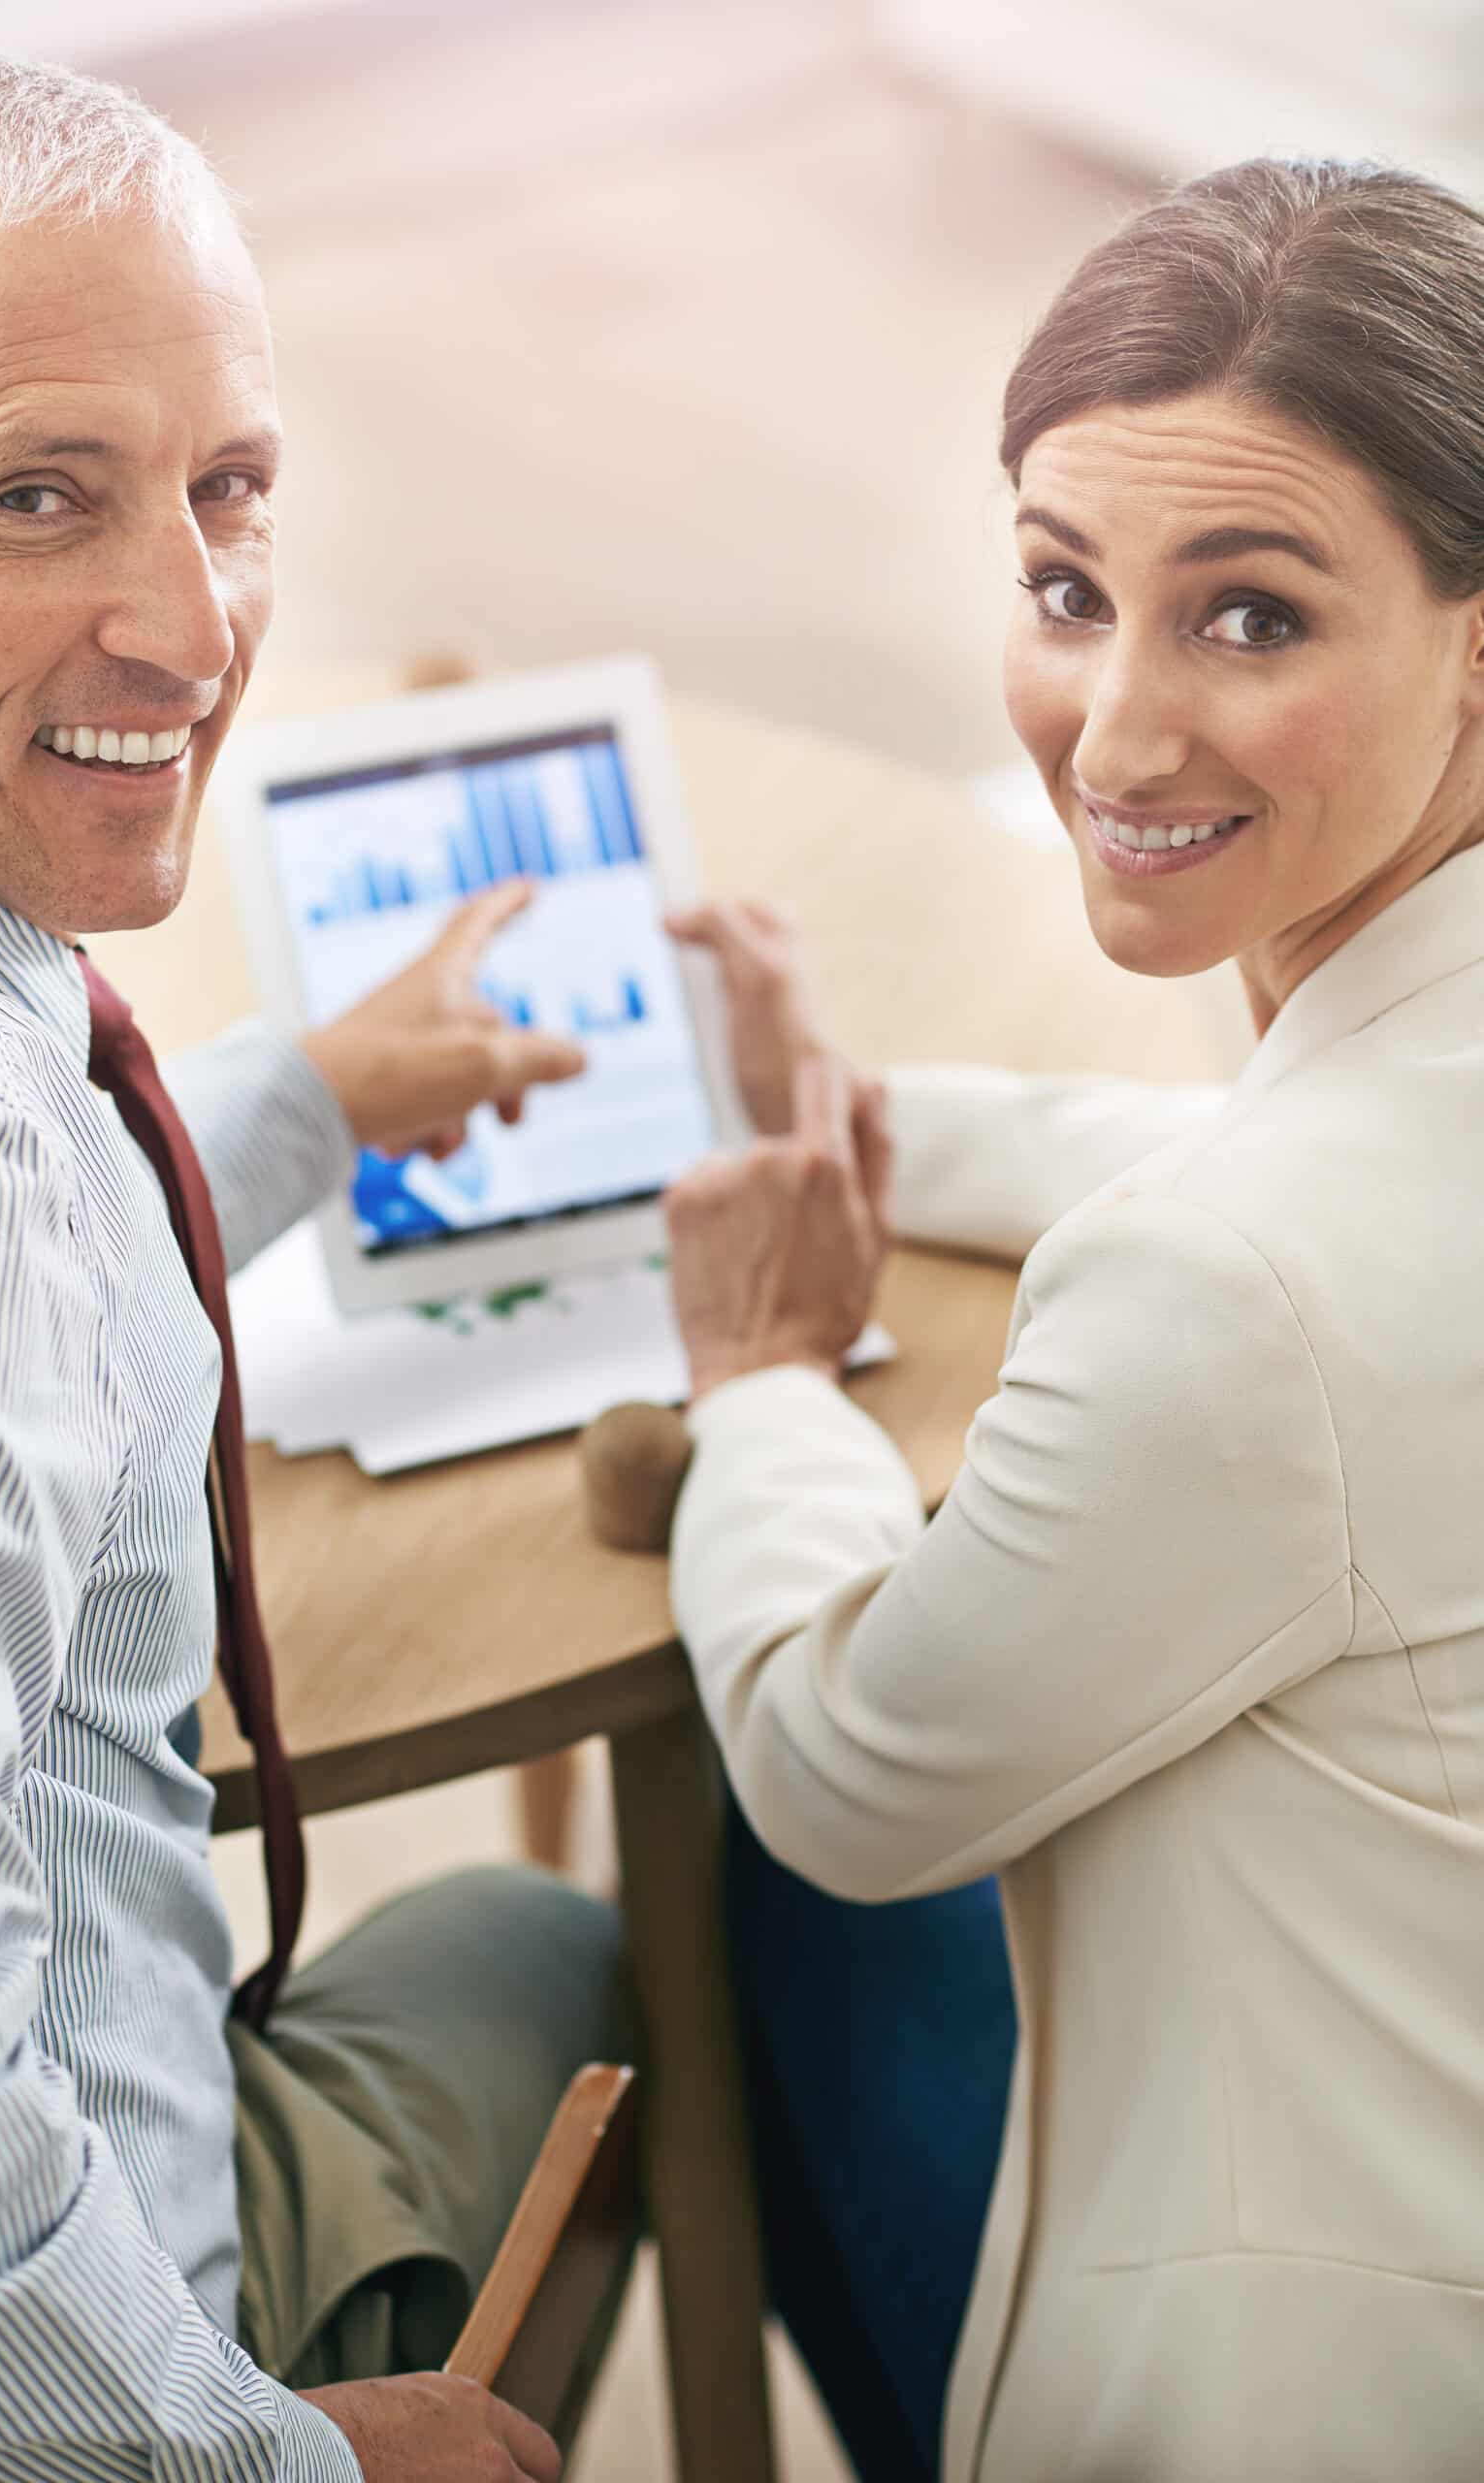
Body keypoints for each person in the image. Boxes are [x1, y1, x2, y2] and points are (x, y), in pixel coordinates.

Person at [0, 47, 629, 2483]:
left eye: (230, 488)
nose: (187, 625)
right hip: (32, 2359)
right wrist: (285, 2466)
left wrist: (279, 1104)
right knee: (598, 1941)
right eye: (36, 496)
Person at [663, 157, 1484, 2481]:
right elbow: (1322, 1210)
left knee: (771, 1868)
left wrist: (759, 1383)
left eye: (1248, 620)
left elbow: (845, 1777)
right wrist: (867, 1109)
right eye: (1064, 590)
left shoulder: (1234, 1286)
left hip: (1321, 2390)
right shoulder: (1351, 1158)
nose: (1114, 740)